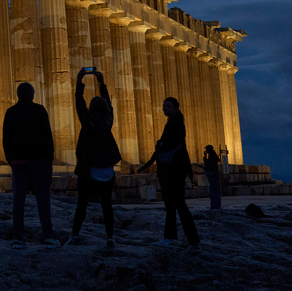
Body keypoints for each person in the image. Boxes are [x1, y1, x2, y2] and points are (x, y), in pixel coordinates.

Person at [137, 97, 201, 252]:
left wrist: (161, 144)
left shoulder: (176, 124)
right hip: (173, 170)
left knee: (177, 204)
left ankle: (189, 241)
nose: (164, 108)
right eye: (163, 106)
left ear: (175, 108)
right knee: (173, 205)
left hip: (173, 170)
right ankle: (176, 239)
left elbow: (168, 144)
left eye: (168, 106)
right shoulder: (174, 122)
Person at [68, 68, 122, 248]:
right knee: (107, 206)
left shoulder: (87, 122)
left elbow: (79, 103)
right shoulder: (108, 122)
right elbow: (108, 103)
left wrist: (79, 81)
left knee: (82, 204)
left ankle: (75, 234)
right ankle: (109, 237)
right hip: (107, 170)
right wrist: (101, 82)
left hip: (89, 169)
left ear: (92, 109)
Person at [2, 82, 58, 248]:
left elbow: (5, 140)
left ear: (18, 95)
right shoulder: (39, 110)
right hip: (39, 162)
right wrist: (49, 160)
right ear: (32, 95)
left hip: (19, 162)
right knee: (43, 200)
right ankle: (48, 237)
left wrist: (10, 160)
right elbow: (47, 137)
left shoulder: (10, 112)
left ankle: (18, 238)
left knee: (18, 201)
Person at [203, 145, 222, 210]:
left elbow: (209, 164)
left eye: (207, 150)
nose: (206, 151)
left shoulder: (212, 157)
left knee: (214, 191)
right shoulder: (213, 156)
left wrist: (205, 158)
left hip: (214, 175)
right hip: (214, 175)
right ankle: (215, 205)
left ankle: (215, 206)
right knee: (215, 191)